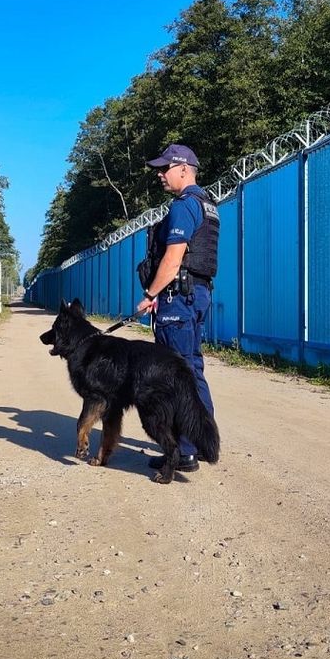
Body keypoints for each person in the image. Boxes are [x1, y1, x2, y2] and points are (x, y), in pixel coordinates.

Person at [135, 143, 220, 473]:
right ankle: (200, 442)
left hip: (177, 299)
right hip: (196, 295)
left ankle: (185, 450)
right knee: (191, 370)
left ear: (184, 169)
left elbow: (172, 259)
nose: (160, 173)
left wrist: (151, 294)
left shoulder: (184, 206)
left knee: (175, 375)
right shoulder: (208, 204)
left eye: (165, 167)